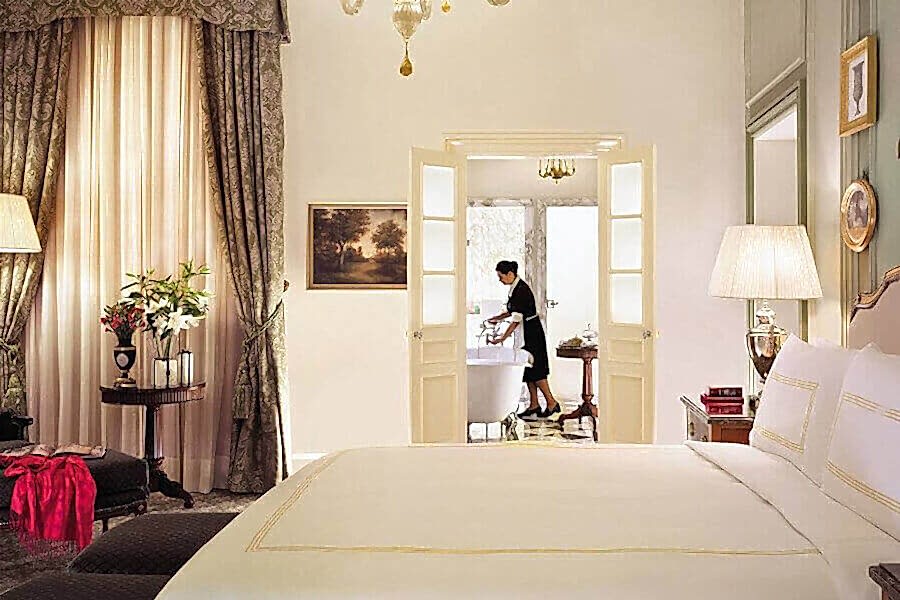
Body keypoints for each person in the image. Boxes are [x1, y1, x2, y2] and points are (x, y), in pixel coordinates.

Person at [487, 260, 560, 420]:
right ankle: (534, 405)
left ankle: (552, 402)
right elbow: (512, 310)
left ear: (510, 274)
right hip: (526, 331)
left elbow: (516, 320)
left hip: (531, 333)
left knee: (537, 369)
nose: (500, 280)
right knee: (528, 370)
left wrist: (501, 338)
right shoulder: (515, 288)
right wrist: (497, 318)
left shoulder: (521, 290)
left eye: (501, 276)